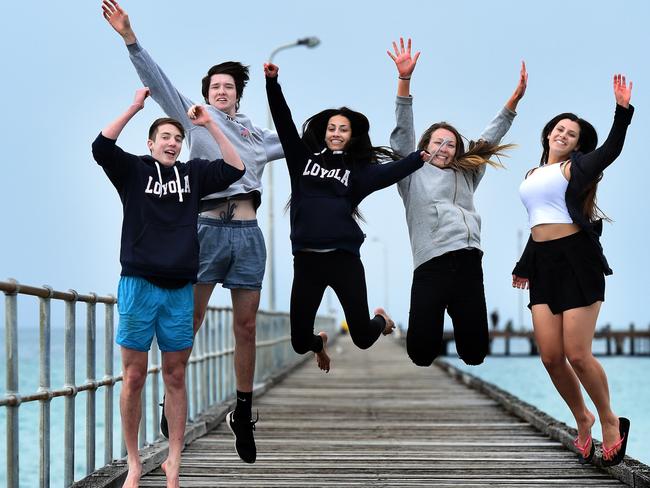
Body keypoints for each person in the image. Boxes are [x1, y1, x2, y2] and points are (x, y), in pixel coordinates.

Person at [102, 0, 284, 463]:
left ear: (239, 95)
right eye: (214, 86)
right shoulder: (193, 116)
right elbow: (158, 80)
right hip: (204, 228)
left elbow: (306, 147)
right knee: (193, 319)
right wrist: (130, 38)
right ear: (204, 93)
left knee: (245, 326)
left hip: (247, 232)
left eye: (228, 87)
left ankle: (243, 412)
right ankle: (172, 395)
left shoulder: (257, 136)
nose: (221, 92)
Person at [92, 88, 244, 488]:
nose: (172, 143)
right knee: (134, 376)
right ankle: (135, 464)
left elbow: (235, 167)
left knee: (175, 375)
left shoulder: (193, 174)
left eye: (178, 138)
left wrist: (209, 123)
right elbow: (101, 146)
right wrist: (134, 107)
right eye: (165, 137)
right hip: (138, 284)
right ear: (151, 142)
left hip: (179, 288)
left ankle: (174, 460)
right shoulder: (135, 171)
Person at [264, 62, 430, 372]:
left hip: (344, 261)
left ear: (351, 136)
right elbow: (284, 124)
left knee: (363, 338)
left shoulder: (359, 173)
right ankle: (319, 343)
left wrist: (417, 159)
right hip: (307, 262)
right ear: (324, 132)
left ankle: (382, 320)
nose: (336, 133)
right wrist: (272, 83)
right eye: (332, 128)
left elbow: (389, 172)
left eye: (343, 129)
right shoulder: (302, 161)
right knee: (300, 342)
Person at [512, 74, 634, 466]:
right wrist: (524, 264)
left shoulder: (576, 168)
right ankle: (582, 418)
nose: (563, 134)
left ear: (579, 144)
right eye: (559, 129)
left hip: (577, 261)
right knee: (550, 355)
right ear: (548, 134)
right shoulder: (531, 174)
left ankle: (610, 422)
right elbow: (538, 222)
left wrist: (622, 112)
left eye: (572, 133)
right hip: (544, 265)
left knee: (577, 353)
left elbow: (612, 150)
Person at [387, 38, 526, 367]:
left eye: (451, 144)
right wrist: (404, 81)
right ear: (426, 144)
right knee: (421, 354)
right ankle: (390, 322)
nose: (445, 148)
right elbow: (401, 132)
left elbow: (490, 138)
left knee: (475, 354)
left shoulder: (467, 175)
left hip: (468, 265)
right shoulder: (411, 174)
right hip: (431, 266)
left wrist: (514, 101)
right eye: (438, 142)